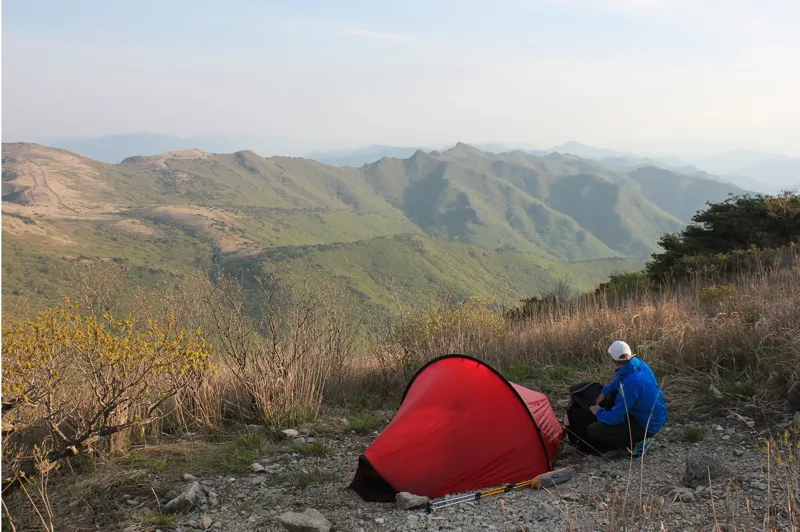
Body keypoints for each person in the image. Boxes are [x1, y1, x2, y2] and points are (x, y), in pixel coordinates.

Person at [587, 340, 666, 456]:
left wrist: (599, 412)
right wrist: (604, 392)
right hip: (656, 415)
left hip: (646, 424)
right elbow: (622, 378)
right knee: (613, 395)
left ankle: (635, 444)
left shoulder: (630, 385)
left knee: (594, 430)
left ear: (614, 361)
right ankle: (636, 437)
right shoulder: (639, 364)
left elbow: (615, 417)